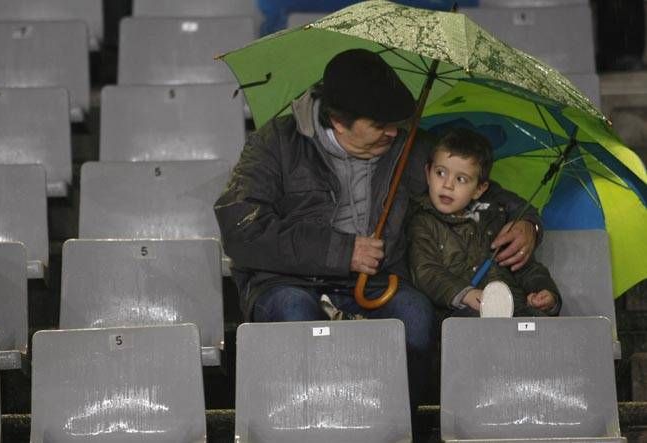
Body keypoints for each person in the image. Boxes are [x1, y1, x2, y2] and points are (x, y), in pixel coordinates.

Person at [214, 48, 542, 407]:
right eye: (379, 125)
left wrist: (526, 221)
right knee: (294, 314)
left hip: (379, 283)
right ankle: (312, 422)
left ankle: (402, 424)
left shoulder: (405, 145)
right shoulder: (275, 143)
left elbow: (476, 188)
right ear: (339, 122)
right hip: (288, 281)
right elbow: (241, 228)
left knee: (415, 316)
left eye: (395, 122)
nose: (392, 132)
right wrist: (342, 252)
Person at [408, 128, 561, 318]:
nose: (448, 185)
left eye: (461, 179)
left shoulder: (495, 218)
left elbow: (525, 267)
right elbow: (426, 272)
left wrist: (545, 292)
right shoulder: (422, 222)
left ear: (479, 189)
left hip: (515, 309)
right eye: (440, 173)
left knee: (539, 324)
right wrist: (465, 294)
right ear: (427, 172)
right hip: (461, 313)